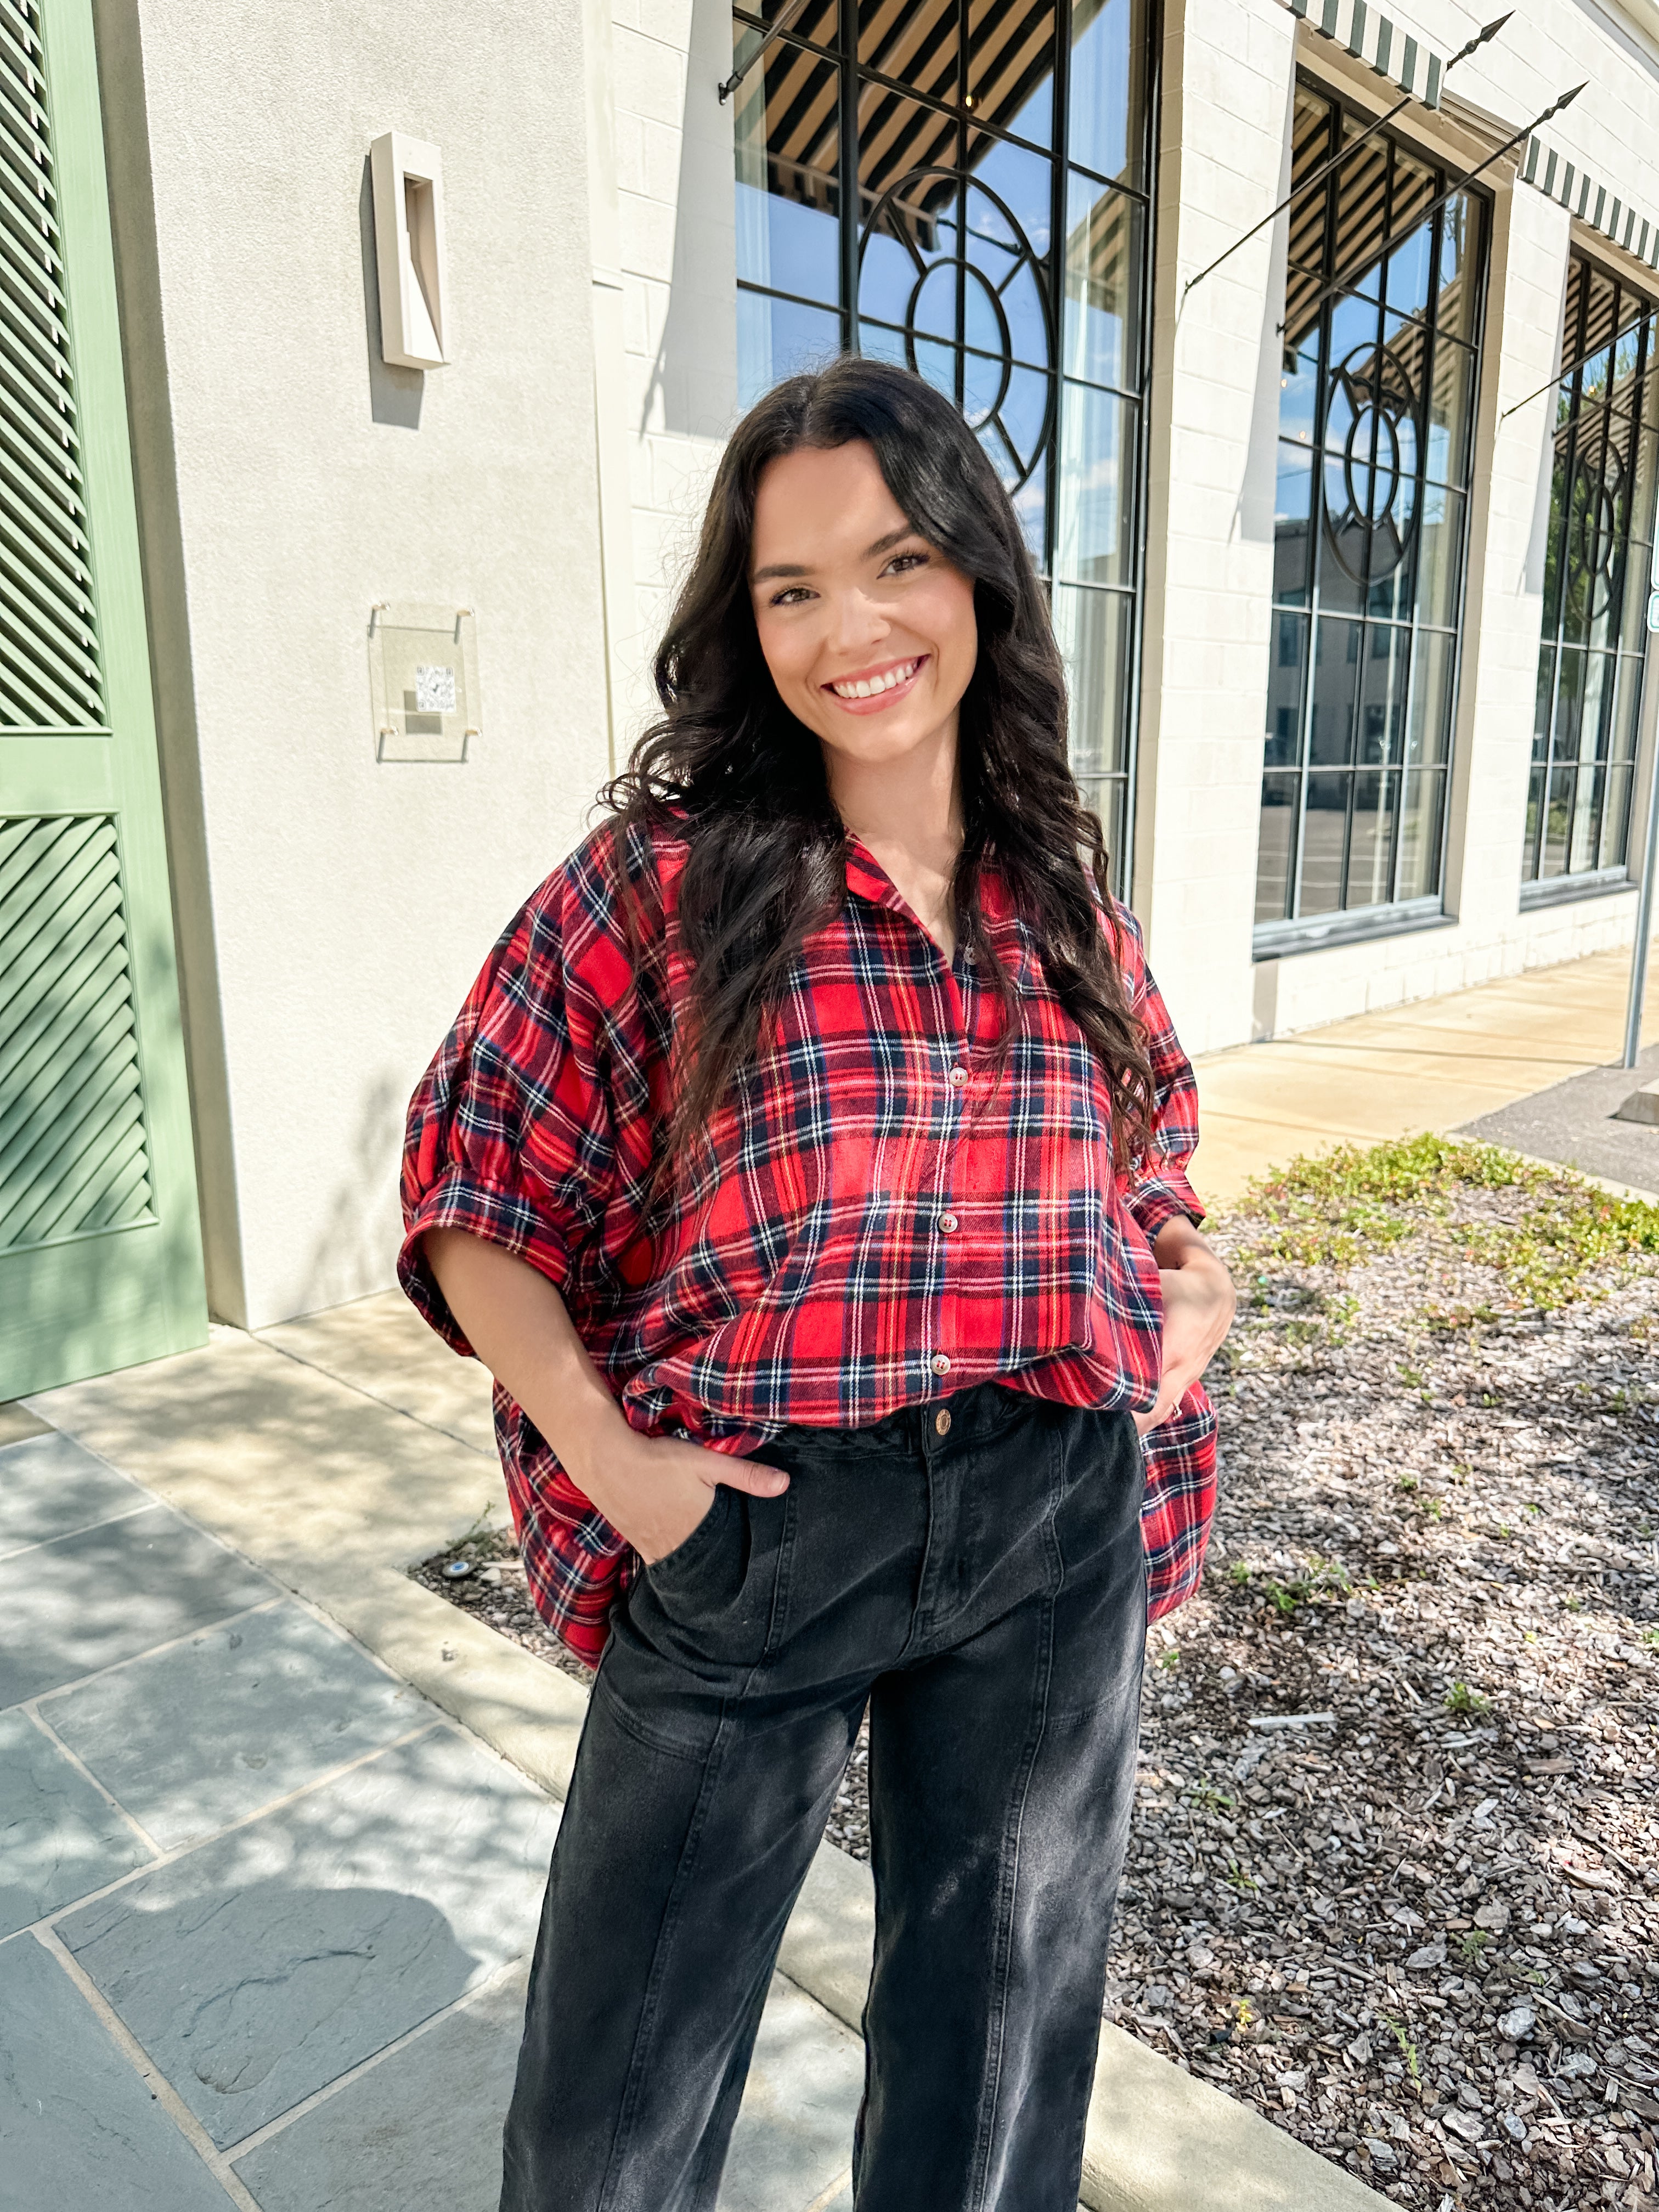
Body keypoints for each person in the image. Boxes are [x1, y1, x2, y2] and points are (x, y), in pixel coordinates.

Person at [399, 356, 1236, 2212]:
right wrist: (619, 1469)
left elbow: (1153, 1137)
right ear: (741, 620)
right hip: (763, 1529)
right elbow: (477, 1191)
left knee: (1002, 2041)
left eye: (897, 563)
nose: (850, 626)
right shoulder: (663, 886)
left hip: (1051, 1515)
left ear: (979, 587)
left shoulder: (1056, 896)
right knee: (622, 2090)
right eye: (792, 588)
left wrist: (1195, 1273)